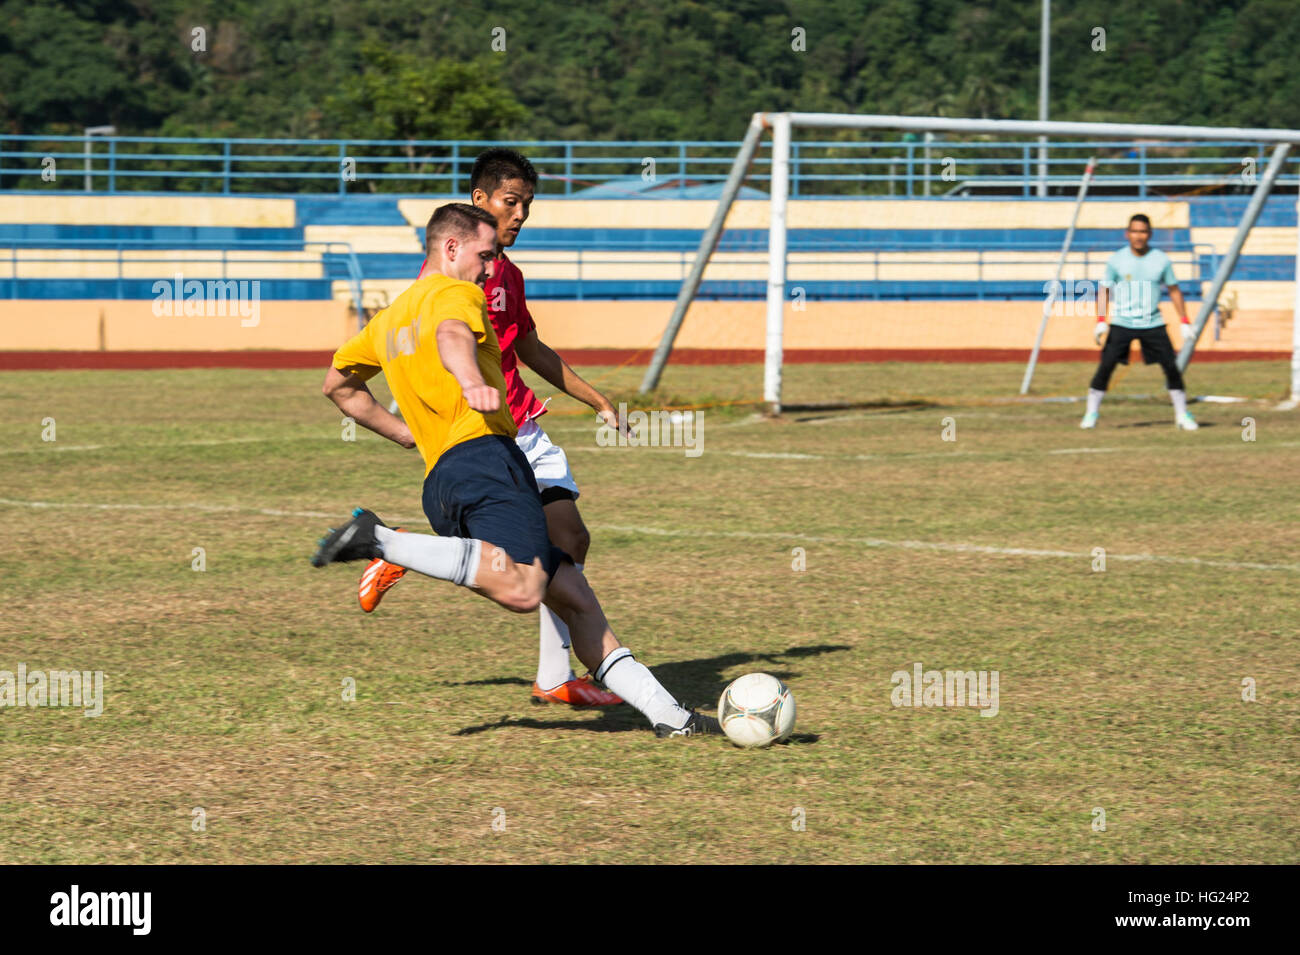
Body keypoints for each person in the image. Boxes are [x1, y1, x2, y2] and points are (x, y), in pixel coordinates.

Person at [312, 202, 716, 738]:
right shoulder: (458, 292)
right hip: (486, 459)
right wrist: (469, 380)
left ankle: (673, 719)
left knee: (572, 592)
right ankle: (382, 540)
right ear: (451, 248)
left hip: (443, 479)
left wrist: (407, 432)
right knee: (525, 590)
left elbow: (338, 387)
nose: (487, 267)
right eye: (483, 255)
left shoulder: (387, 319)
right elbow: (453, 334)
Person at [358, 148, 626, 708]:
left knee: (569, 540)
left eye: (528, 204)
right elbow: (439, 337)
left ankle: (554, 676)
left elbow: (528, 346)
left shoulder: (508, 275)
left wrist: (596, 398)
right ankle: (402, 548)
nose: (521, 214)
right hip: (482, 433)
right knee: (530, 560)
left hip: (522, 421)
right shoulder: (452, 275)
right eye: (511, 201)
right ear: (479, 201)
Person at [1082, 214, 1198, 430]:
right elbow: (1104, 290)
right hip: (1122, 322)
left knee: (1171, 368)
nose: (1139, 236)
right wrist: (1100, 320)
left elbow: (1174, 290)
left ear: (1149, 234)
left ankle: (1182, 415)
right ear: (1127, 234)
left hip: (1152, 322)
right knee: (1106, 367)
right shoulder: (1116, 260)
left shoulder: (1161, 260)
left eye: (1143, 231)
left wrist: (1184, 321)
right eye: (1134, 231)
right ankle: (1091, 413)